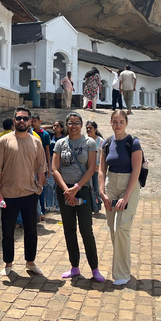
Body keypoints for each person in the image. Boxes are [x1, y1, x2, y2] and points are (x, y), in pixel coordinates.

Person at [0, 107, 47, 276]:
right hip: (8, 195)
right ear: (14, 120)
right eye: (19, 118)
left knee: (31, 230)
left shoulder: (36, 142)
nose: (22, 121)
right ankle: (8, 264)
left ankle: (30, 262)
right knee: (7, 231)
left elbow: (41, 167)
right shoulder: (4, 141)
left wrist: (40, 187)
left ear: (30, 121)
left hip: (30, 194)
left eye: (25, 118)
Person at [51, 113, 104, 282]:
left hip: (82, 190)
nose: (73, 126)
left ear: (81, 125)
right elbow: (54, 169)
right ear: (66, 125)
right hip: (65, 190)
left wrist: (76, 188)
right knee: (69, 229)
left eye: (76, 123)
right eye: (70, 123)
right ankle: (74, 267)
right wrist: (67, 190)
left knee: (86, 230)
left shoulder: (89, 143)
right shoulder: (60, 143)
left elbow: (91, 168)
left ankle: (94, 268)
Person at [98, 109, 143, 286]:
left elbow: (136, 170)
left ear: (126, 123)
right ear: (110, 122)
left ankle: (122, 272)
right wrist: (102, 192)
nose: (118, 125)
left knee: (122, 229)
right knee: (112, 229)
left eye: (121, 122)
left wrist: (126, 195)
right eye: (114, 121)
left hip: (129, 185)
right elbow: (102, 170)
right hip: (111, 185)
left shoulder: (133, 142)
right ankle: (121, 269)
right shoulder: (106, 143)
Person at [32, 114, 55, 215]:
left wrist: (49, 167)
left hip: (41, 165)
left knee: (41, 187)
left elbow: (47, 151)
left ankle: (42, 209)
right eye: (31, 121)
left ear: (39, 121)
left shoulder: (45, 135)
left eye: (35, 121)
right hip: (31, 164)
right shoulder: (29, 133)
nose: (33, 124)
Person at [85, 120, 104, 214]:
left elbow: (102, 156)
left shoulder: (100, 141)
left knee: (96, 188)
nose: (88, 130)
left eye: (90, 128)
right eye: (87, 128)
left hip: (96, 169)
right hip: (86, 169)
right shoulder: (84, 140)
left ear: (95, 129)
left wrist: (100, 166)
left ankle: (97, 206)